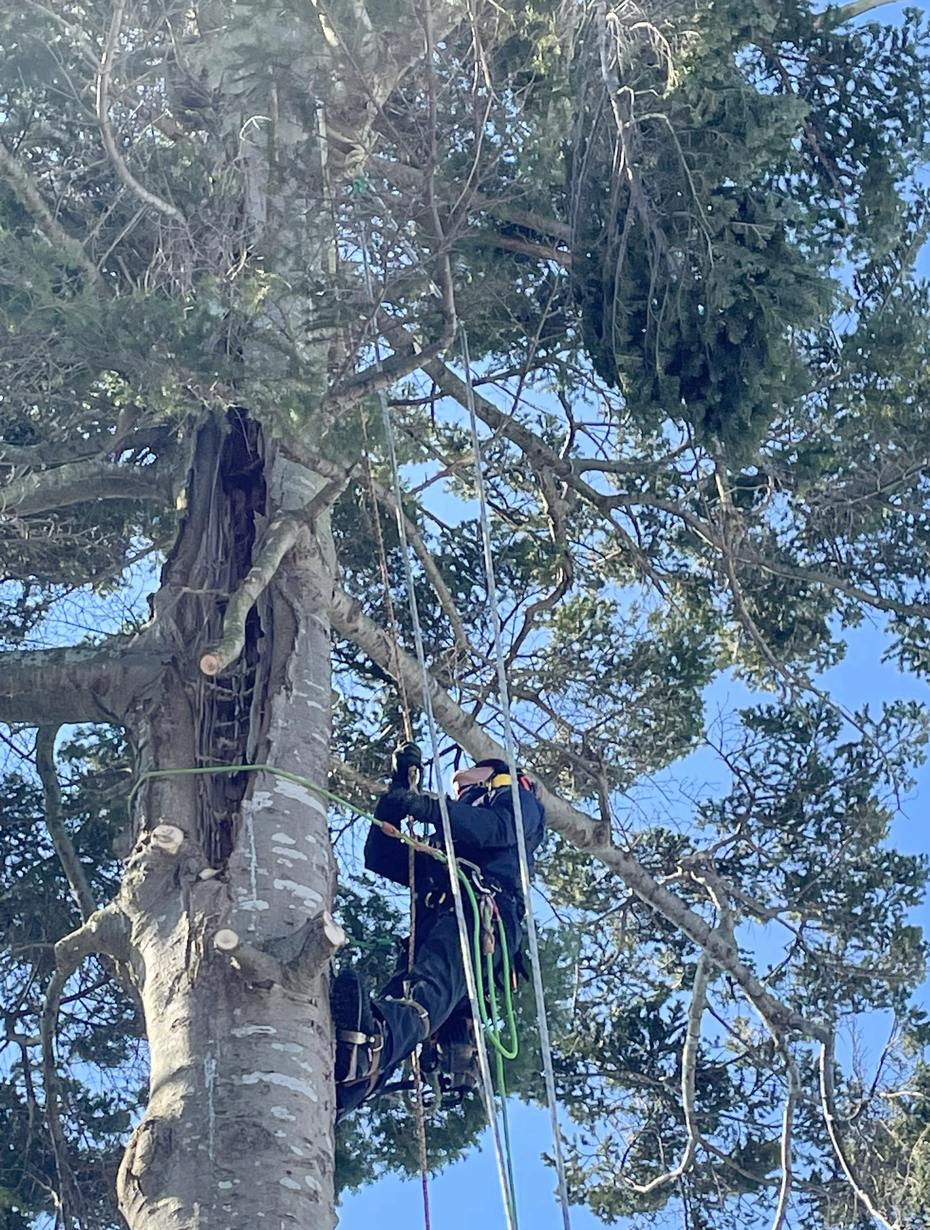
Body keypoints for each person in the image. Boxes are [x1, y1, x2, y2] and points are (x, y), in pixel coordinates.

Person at [332, 744, 545, 1120]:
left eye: (469, 783)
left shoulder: (518, 800)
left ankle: (371, 1044)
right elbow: (381, 854)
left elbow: (492, 828)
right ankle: (344, 1088)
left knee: (425, 994)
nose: (459, 786)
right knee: (404, 999)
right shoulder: (444, 845)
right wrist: (400, 792)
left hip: (481, 914)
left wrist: (433, 808)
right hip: (435, 928)